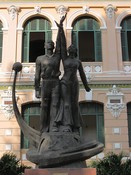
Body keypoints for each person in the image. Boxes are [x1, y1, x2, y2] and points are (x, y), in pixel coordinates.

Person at [54, 18, 91, 133]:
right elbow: (63, 44)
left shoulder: (78, 62)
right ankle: (67, 125)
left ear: (75, 51)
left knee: (74, 104)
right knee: (66, 104)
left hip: (74, 83)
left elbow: (82, 74)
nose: (70, 49)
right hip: (65, 82)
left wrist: (86, 86)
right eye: (69, 48)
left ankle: (75, 126)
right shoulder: (65, 58)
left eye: (72, 48)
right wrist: (60, 28)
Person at [35, 18, 65, 133]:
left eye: (51, 43)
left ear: (53, 47)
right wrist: (36, 89)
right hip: (45, 83)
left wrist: (60, 28)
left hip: (55, 82)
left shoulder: (57, 56)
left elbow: (60, 43)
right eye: (48, 43)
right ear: (44, 45)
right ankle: (43, 128)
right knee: (44, 106)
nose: (50, 44)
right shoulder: (40, 59)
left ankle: (54, 127)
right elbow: (37, 75)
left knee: (55, 105)